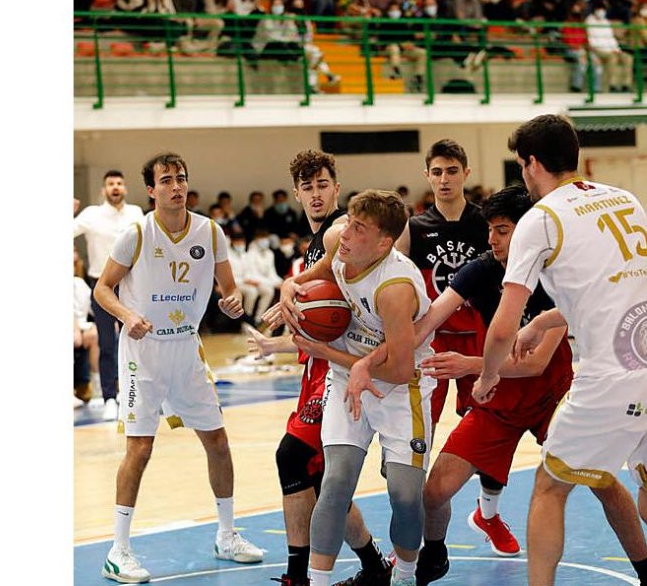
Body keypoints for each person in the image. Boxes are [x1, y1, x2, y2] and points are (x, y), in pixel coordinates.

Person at [473, 115, 647, 586]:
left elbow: (504, 324)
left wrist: (488, 376)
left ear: (531, 164)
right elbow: (625, 286)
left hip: (615, 371)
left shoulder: (539, 220)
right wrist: (548, 319)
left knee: (549, 487)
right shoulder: (624, 198)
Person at [346, 186, 575, 582]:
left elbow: (536, 364)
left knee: (603, 483)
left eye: (501, 230)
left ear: (526, 231)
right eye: (490, 229)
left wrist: (471, 365)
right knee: (434, 492)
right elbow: (427, 322)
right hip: (500, 395)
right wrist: (367, 360)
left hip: (554, 396)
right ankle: (434, 554)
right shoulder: (483, 269)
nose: (491, 239)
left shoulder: (558, 274)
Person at [94, 153, 264, 583]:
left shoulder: (210, 231)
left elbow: (229, 290)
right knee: (141, 449)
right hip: (143, 353)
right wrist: (126, 316)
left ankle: (226, 534)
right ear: (151, 190)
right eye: (166, 180)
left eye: (181, 179)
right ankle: (118, 550)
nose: (176, 186)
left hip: (187, 351)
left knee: (219, 443)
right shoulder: (134, 234)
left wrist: (232, 301)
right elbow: (103, 289)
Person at [277, 190, 437, 586]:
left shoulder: (394, 288)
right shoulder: (343, 248)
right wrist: (288, 287)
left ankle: (404, 575)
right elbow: (311, 276)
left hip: (402, 391)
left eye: (358, 227)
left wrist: (324, 351)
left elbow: (399, 369)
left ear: (384, 243)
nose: (345, 232)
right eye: (348, 220)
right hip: (350, 382)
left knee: (404, 497)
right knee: (334, 482)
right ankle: (317, 581)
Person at [247, 151, 391, 586]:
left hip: (343, 370)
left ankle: (298, 577)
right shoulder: (309, 250)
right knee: (323, 479)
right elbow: (319, 323)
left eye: (322, 185)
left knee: (291, 458)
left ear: (336, 187)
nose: (315, 193)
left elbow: (345, 309)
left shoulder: (338, 234)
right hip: (317, 369)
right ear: (296, 193)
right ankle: (373, 565)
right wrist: (275, 344)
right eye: (307, 187)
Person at [395, 140, 489, 429]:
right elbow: (395, 285)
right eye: (437, 172)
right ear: (427, 176)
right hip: (432, 338)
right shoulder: (414, 227)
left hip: (479, 335)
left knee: (482, 422)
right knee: (422, 423)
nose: (444, 179)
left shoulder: (487, 223)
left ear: (466, 173)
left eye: (452, 171)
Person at [74, 171, 145, 420]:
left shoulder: (136, 213)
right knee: (106, 343)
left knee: (140, 341)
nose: (115, 187)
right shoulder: (91, 214)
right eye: (110, 184)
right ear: (104, 189)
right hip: (101, 286)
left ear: (124, 188)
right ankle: (109, 398)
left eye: (119, 183)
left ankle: (138, 395)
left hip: (132, 285)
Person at [586, 6, 633, 92]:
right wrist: (610, 50)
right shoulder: (590, 21)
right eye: (600, 10)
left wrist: (616, 49)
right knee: (613, 57)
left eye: (603, 10)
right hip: (599, 49)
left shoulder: (606, 22)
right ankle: (612, 85)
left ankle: (626, 85)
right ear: (595, 11)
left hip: (611, 49)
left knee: (628, 58)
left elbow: (611, 38)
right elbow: (593, 40)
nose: (602, 12)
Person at [74, 247, 99, 407]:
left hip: (82, 324)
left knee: (96, 333)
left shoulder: (79, 282)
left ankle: (97, 386)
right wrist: (75, 327)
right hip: (73, 325)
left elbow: (93, 307)